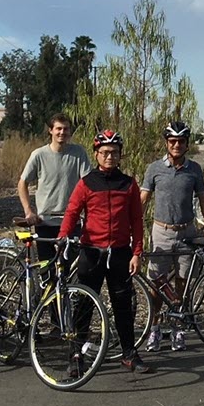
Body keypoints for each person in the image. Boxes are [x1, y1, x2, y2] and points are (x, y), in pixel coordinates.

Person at [58, 130, 148, 375]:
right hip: (91, 253)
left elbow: (137, 221)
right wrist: (63, 237)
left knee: (123, 306)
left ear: (120, 155)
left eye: (114, 152)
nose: (110, 157)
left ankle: (129, 354)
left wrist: (137, 252)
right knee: (84, 306)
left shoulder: (128, 184)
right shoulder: (86, 182)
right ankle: (75, 356)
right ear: (96, 154)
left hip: (119, 253)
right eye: (105, 152)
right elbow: (72, 211)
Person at [141, 120, 204, 352]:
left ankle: (177, 328)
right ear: (166, 143)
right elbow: (142, 200)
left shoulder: (194, 169)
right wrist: (131, 227)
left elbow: (203, 199)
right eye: (172, 141)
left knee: (182, 284)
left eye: (181, 141)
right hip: (161, 232)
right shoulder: (154, 169)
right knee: (156, 283)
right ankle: (154, 329)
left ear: (186, 144)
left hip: (187, 232)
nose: (176, 145)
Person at [17, 114, 92, 265]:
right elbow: (22, 182)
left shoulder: (79, 153)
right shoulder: (39, 155)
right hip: (45, 222)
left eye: (66, 129)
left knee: (69, 270)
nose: (62, 132)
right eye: (58, 128)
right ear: (50, 130)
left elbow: (88, 183)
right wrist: (28, 210)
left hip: (71, 221)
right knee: (47, 269)